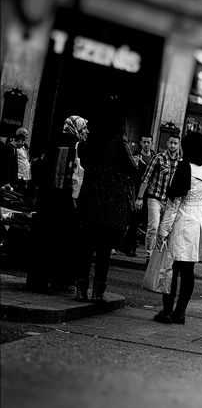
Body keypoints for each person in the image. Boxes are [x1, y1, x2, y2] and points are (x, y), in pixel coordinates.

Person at [73, 102, 140, 302]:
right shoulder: (120, 141)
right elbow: (132, 168)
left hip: (90, 196)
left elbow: (84, 162)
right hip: (111, 200)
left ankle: (80, 288)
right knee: (104, 248)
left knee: (86, 246)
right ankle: (98, 291)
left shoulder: (89, 140)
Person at [151, 131, 202, 323]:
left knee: (171, 268)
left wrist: (163, 231)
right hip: (198, 220)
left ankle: (166, 311)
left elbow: (174, 203)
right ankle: (180, 312)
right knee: (188, 270)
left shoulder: (183, 166)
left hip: (182, 218)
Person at [25, 116, 87, 294]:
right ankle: (59, 281)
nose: (86, 133)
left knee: (43, 240)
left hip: (47, 199)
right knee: (62, 240)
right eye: (83, 129)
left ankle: (37, 281)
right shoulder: (77, 146)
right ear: (77, 129)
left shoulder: (52, 140)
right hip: (66, 201)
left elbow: (40, 166)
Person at [136, 129, 182, 257]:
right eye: (171, 143)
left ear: (179, 145)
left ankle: (156, 254)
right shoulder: (158, 158)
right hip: (155, 198)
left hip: (170, 201)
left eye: (175, 143)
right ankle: (149, 254)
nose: (172, 145)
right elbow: (146, 177)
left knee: (163, 231)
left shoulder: (180, 163)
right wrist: (140, 197)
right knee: (153, 227)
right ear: (167, 143)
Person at [120, 135, 154, 257]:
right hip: (136, 190)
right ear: (140, 142)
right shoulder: (136, 155)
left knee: (147, 221)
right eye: (144, 142)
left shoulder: (154, 157)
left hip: (149, 192)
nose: (146, 144)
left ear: (151, 143)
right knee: (134, 219)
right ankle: (130, 247)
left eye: (148, 142)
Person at [1, 127, 32, 194]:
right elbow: (7, 166)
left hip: (19, 178)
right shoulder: (10, 147)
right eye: (23, 141)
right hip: (13, 179)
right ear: (20, 139)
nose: (24, 143)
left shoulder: (17, 147)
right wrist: (6, 182)